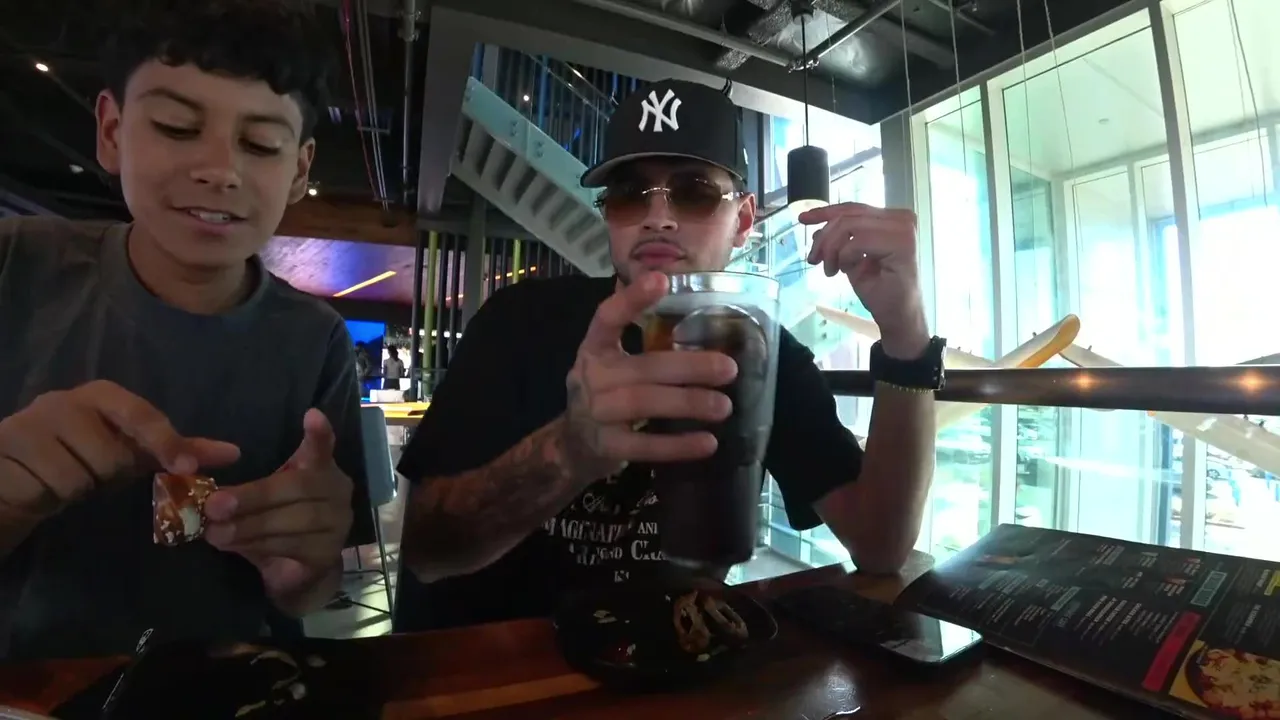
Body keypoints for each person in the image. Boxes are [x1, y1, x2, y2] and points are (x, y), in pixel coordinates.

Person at [393, 79, 941, 631]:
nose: (657, 217)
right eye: (630, 194)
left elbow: (879, 545)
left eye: (694, 191)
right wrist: (568, 450)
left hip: (679, 655)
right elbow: (425, 548)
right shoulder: (518, 322)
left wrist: (905, 335)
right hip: (505, 663)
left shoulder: (763, 350)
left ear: (743, 221)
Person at [0, 0, 372, 659]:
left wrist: (305, 566)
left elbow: (309, 592)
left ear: (300, 170)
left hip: (232, 679)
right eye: (176, 126)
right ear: (112, 131)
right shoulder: (15, 267)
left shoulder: (315, 342)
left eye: (260, 144)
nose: (219, 170)